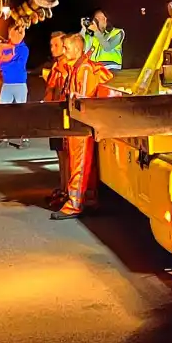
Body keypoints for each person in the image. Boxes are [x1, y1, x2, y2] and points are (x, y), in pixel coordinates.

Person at [52, 33, 113, 220]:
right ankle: (87, 199)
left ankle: (74, 205)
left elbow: (82, 98)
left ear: (77, 50)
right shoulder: (77, 67)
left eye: (67, 48)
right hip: (77, 125)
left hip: (81, 125)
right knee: (83, 164)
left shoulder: (84, 69)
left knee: (79, 164)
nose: (64, 51)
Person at [42, 31, 71, 209]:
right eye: (51, 45)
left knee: (65, 155)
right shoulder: (56, 66)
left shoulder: (65, 67)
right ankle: (62, 188)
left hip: (61, 116)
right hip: (52, 114)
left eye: (56, 45)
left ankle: (67, 190)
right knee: (59, 154)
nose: (53, 49)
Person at [0, 22, 30, 149]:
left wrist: (0, 67)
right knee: (3, 112)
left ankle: (25, 138)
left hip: (19, 84)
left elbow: (17, 65)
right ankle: (4, 139)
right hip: (6, 84)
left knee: (21, 113)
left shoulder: (24, 49)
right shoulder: (6, 47)